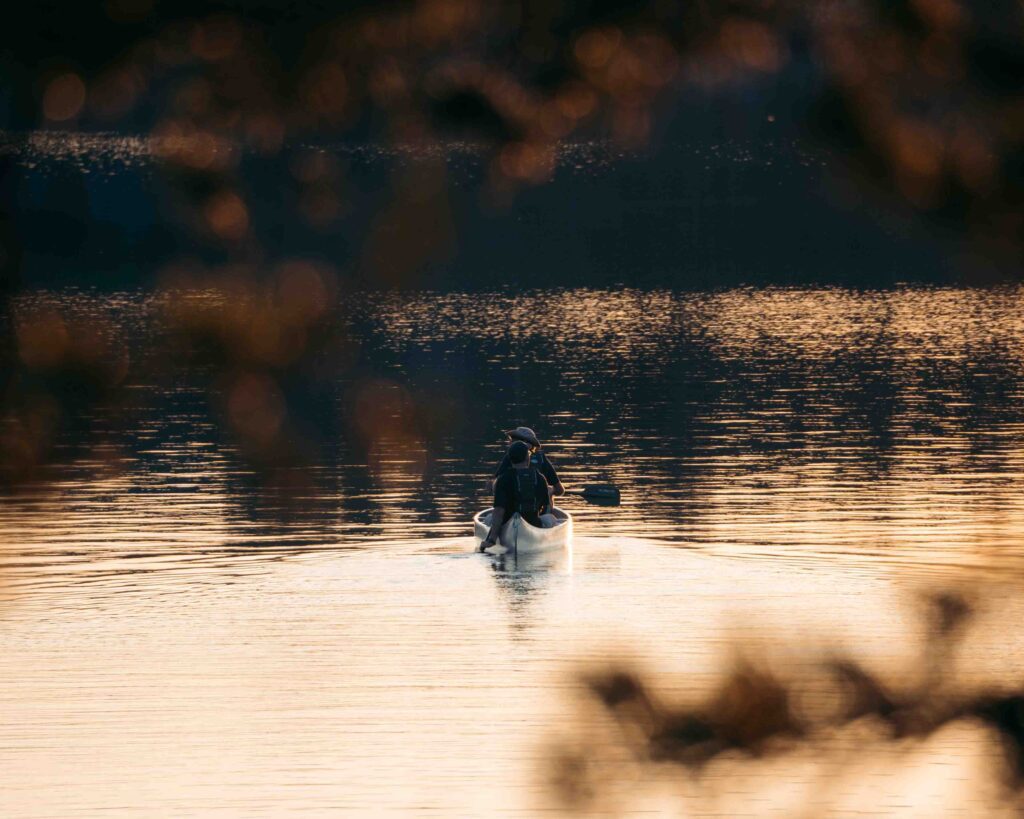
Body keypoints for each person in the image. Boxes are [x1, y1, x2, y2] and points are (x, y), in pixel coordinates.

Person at [480, 440, 555, 551]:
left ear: (510, 459)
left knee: (488, 518)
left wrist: (492, 539)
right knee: (551, 518)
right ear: (527, 458)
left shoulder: (502, 479)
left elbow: (499, 511)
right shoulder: (540, 478)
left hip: (507, 524)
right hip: (533, 523)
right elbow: (546, 508)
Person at [492, 426, 565, 498]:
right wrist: (550, 490)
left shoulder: (510, 457)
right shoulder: (541, 460)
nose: (510, 442)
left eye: (513, 439)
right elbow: (560, 490)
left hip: (513, 508)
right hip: (538, 508)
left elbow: (495, 488)